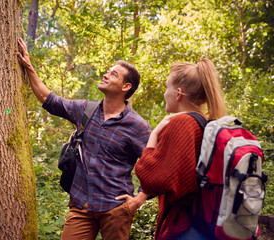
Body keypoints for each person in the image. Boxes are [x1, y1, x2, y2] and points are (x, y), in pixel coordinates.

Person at [16, 38, 152, 240]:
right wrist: (28, 67)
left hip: (116, 209)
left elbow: (155, 164)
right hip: (81, 204)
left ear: (126, 87)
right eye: (108, 71)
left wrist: (139, 199)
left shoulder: (137, 126)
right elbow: (50, 100)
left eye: (113, 74)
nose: (105, 75)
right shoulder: (86, 110)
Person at [135, 59, 227, 240]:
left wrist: (154, 134)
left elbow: (150, 179)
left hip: (183, 227)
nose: (164, 93)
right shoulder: (202, 121)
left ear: (178, 93)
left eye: (166, 87)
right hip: (202, 223)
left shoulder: (181, 123)